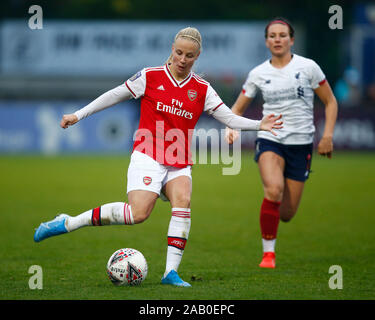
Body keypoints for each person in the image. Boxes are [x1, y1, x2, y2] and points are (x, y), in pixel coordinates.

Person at [33, 27, 283, 286]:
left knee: (183, 201)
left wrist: (259, 124)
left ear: (197, 56)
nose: (182, 59)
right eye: (178, 53)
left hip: (179, 159)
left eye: (189, 55)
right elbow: (113, 95)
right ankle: (69, 222)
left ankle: (170, 273)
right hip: (148, 154)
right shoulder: (150, 76)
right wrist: (78, 114)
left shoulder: (202, 89)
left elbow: (228, 118)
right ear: (171, 50)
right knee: (138, 214)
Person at [226, 18, 338, 269]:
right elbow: (238, 107)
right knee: (273, 189)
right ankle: (268, 255)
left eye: (282, 35)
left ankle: (274, 221)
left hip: (301, 144)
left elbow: (330, 101)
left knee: (286, 213)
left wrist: (327, 135)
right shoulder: (258, 73)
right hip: (270, 139)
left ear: (292, 40)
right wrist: (231, 125)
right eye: (272, 35)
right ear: (266, 41)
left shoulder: (308, 67)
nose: (277, 39)